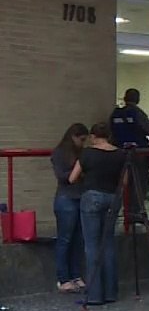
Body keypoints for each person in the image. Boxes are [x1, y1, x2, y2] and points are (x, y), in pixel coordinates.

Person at [69, 123, 128, 306]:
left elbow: (72, 178)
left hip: (92, 197)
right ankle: (111, 293)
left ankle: (94, 295)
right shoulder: (121, 154)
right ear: (109, 136)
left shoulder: (87, 153)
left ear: (94, 137)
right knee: (108, 243)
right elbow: (125, 181)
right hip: (113, 199)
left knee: (92, 246)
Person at [50, 123, 88, 292]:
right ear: (73, 136)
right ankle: (63, 277)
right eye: (81, 139)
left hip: (77, 197)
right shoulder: (59, 153)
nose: (83, 143)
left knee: (77, 239)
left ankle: (75, 275)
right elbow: (62, 176)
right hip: (67, 198)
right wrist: (79, 172)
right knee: (65, 239)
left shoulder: (80, 153)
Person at [108, 88, 149, 222]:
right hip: (138, 153)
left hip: (120, 153)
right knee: (140, 182)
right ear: (137, 99)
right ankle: (135, 213)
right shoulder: (136, 113)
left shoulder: (116, 114)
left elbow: (111, 131)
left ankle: (123, 212)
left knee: (123, 183)